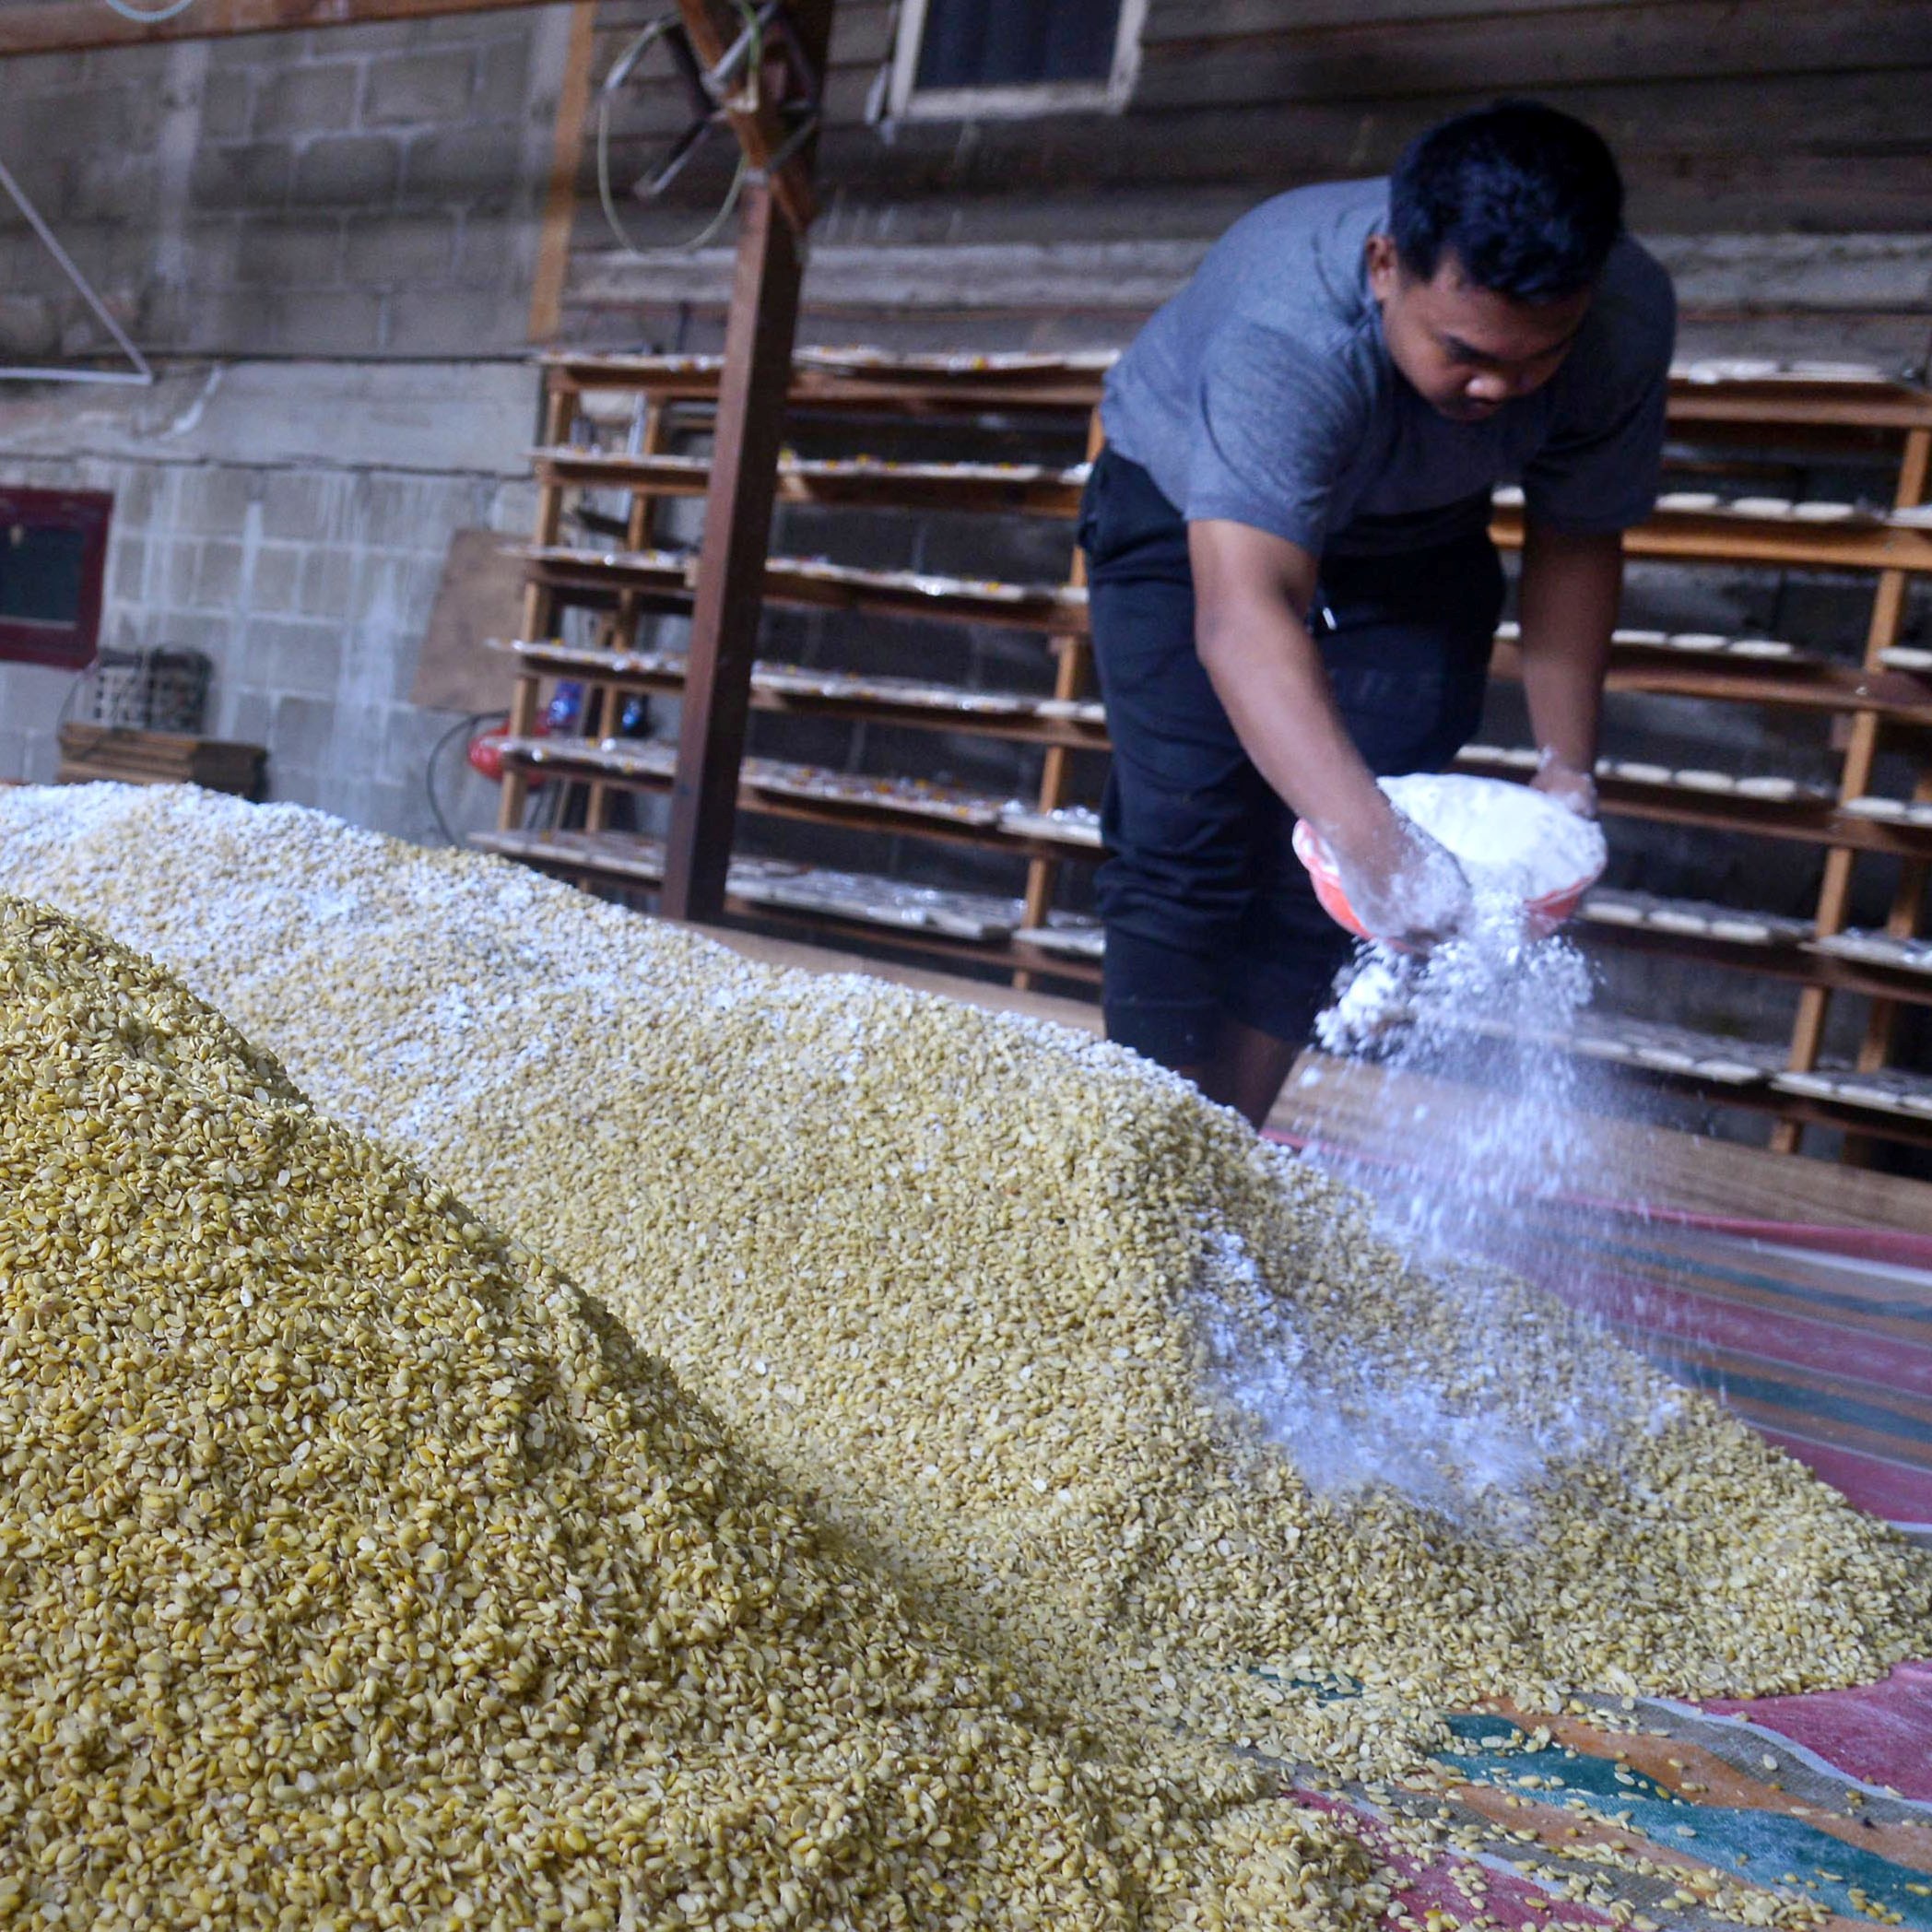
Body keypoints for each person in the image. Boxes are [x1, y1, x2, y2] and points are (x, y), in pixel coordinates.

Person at [1081, 99, 1674, 1128]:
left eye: (1535, 358)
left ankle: (1224, 1149)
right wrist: (1374, 846)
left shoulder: (1621, 317)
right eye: (1462, 349)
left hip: (1413, 532)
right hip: (1190, 519)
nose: (1497, 384)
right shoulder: (1289, 332)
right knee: (1189, 844)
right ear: (1384, 264)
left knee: (1332, 878)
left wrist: (1562, 766)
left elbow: (1574, 535)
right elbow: (1242, 615)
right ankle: (1140, 1168)